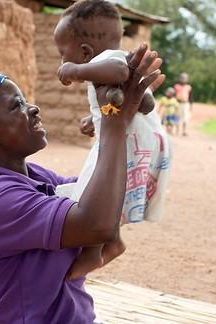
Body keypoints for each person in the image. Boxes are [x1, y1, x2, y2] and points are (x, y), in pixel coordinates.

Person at [0, 44, 163, 322]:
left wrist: (118, 120)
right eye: (17, 105)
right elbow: (99, 224)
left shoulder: (32, 177)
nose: (33, 108)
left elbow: (109, 197)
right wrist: (113, 124)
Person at [53, 0, 171, 280]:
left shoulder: (110, 62)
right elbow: (136, 103)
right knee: (110, 193)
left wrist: (75, 71)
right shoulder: (109, 63)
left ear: (84, 52)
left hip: (125, 141)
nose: (61, 62)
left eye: (62, 55)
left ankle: (94, 253)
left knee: (92, 192)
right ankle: (112, 242)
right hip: (140, 137)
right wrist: (92, 119)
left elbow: (120, 73)